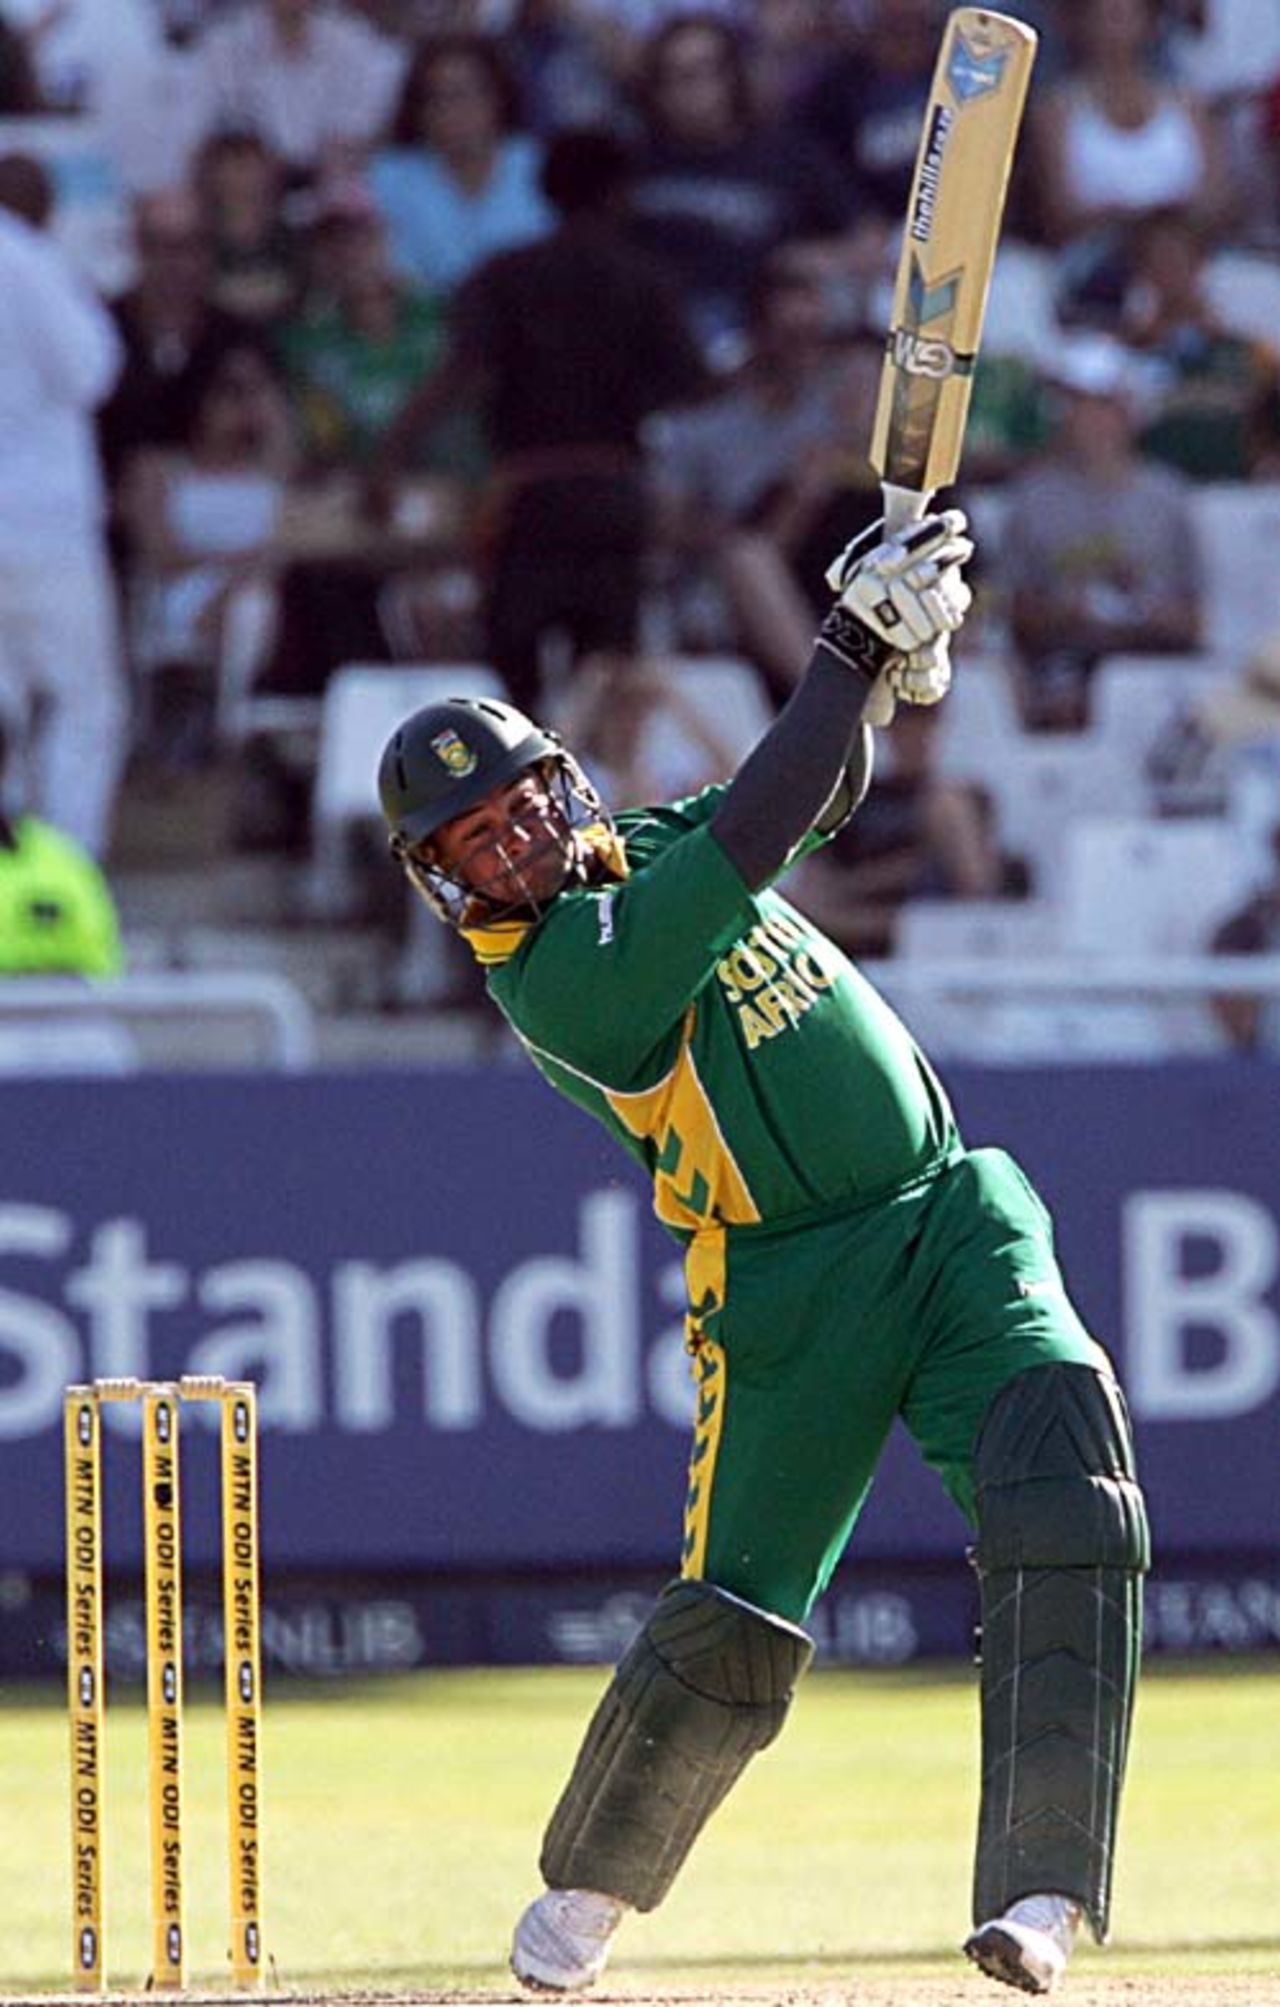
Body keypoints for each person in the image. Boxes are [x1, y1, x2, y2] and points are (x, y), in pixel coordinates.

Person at [377, 509, 1150, 2000]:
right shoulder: (556, 981)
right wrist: (845, 647)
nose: (516, 838)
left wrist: (894, 673)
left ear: (563, 782)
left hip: (951, 1215)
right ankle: (594, 1883)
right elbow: (756, 831)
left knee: (1070, 1487)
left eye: (522, 803)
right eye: (478, 838)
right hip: (788, 1288)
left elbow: (811, 788)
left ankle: (1042, 1889)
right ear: (446, 877)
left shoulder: (645, 843)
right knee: (734, 1620)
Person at [369, 123, 711, 716]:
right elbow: (692, 385)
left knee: (512, 671)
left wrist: (390, 456)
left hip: (527, 498)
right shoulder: (647, 281)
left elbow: (461, 375)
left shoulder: (501, 276)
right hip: (613, 493)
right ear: (620, 193)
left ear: (546, 190)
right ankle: (593, 770)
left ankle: (517, 767)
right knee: (605, 671)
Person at [0, 151, 128, 861]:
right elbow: (93, 369)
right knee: (82, 704)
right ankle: (66, 868)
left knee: (6, 708)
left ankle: (8, 875)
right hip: (41, 529)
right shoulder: (27, 257)